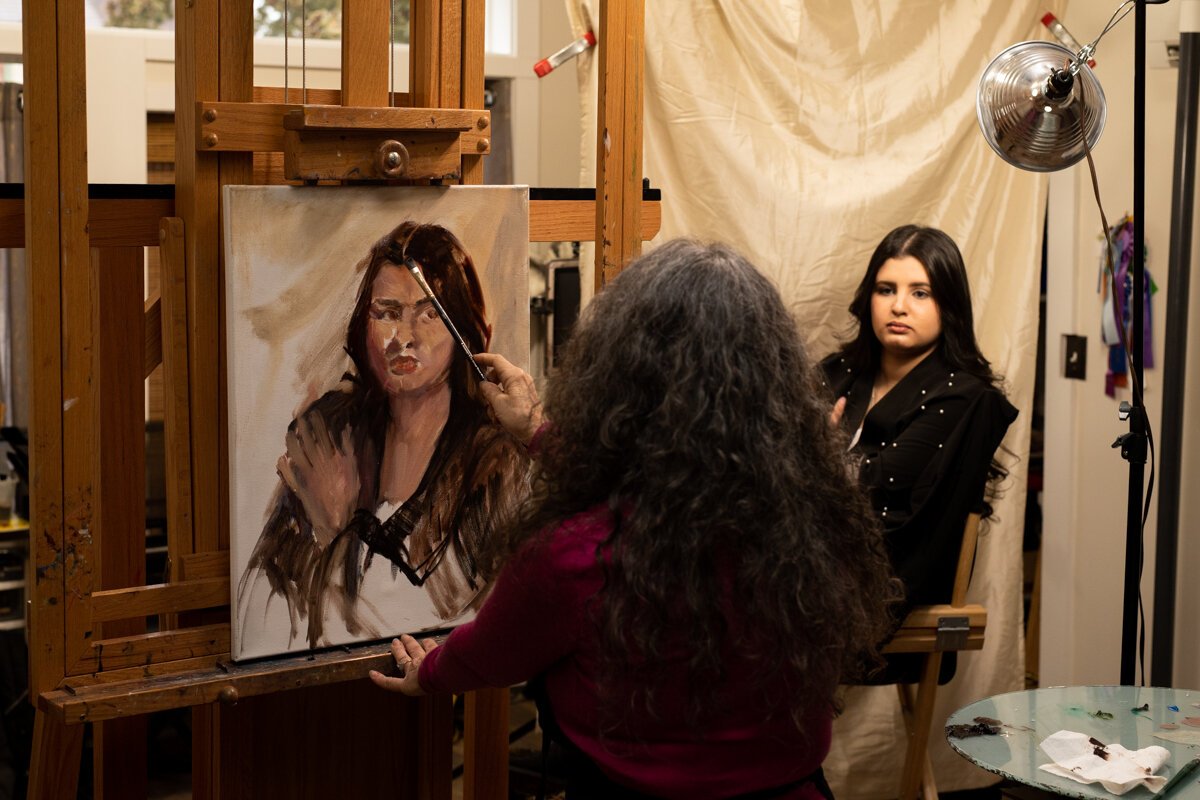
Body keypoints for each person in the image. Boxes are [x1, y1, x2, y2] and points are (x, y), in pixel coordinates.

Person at [370, 239, 901, 799]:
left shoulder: (576, 555)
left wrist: (428, 674)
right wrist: (534, 431)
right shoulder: (809, 520)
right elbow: (663, 488)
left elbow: (491, 653)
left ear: (618, 380)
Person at [237, 221, 529, 652]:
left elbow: (438, 618)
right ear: (365, 323)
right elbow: (257, 609)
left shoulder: (493, 464)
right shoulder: (333, 432)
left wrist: (336, 528)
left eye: (429, 313)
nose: (404, 338)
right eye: (387, 313)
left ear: (460, 327)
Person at [821, 224, 1018, 625]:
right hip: (808, 562)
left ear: (949, 306)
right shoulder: (838, 371)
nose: (899, 307)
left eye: (920, 293)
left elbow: (875, 486)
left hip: (878, 591)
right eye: (886, 289)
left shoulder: (964, 398)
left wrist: (814, 454)